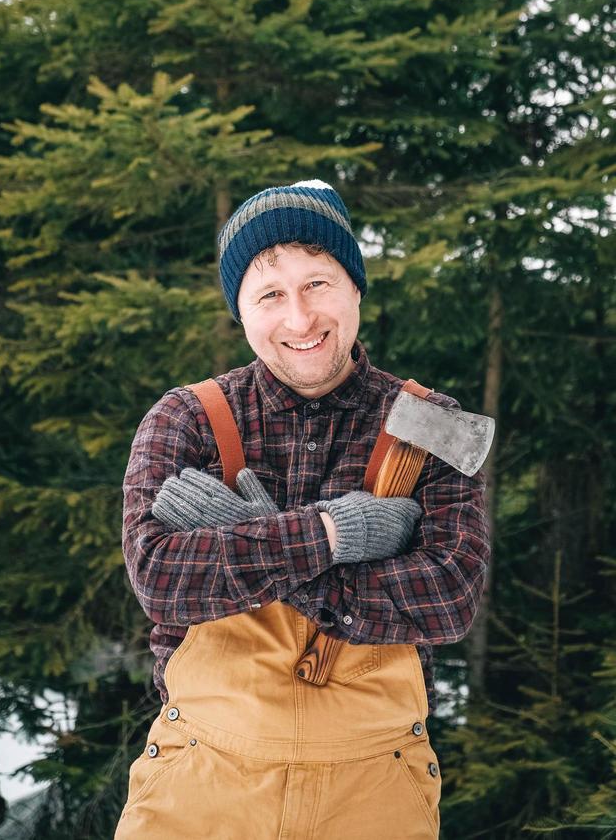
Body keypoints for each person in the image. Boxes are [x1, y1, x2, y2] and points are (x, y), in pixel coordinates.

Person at [115, 180, 490, 840]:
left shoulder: (430, 422)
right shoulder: (187, 419)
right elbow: (159, 580)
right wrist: (335, 532)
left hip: (374, 785)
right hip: (201, 784)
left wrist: (243, 542)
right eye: (269, 294)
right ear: (240, 311)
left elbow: (450, 595)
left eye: (318, 283)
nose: (298, 318)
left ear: (354, 288)